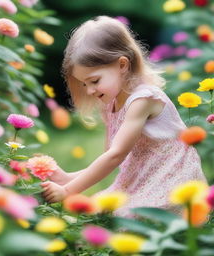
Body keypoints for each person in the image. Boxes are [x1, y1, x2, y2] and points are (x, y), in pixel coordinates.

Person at [41, 16, 207, 218]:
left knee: (125, 217)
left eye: (94, 80)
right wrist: (68, 178)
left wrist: (68, 191)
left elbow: (115, 155)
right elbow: (109, 160)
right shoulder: (111, 103)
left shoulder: (142, 100)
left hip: (173, 179)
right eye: (84, 84)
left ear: (122, 65)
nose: (90, 90)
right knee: (102, 211)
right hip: (143, 176)